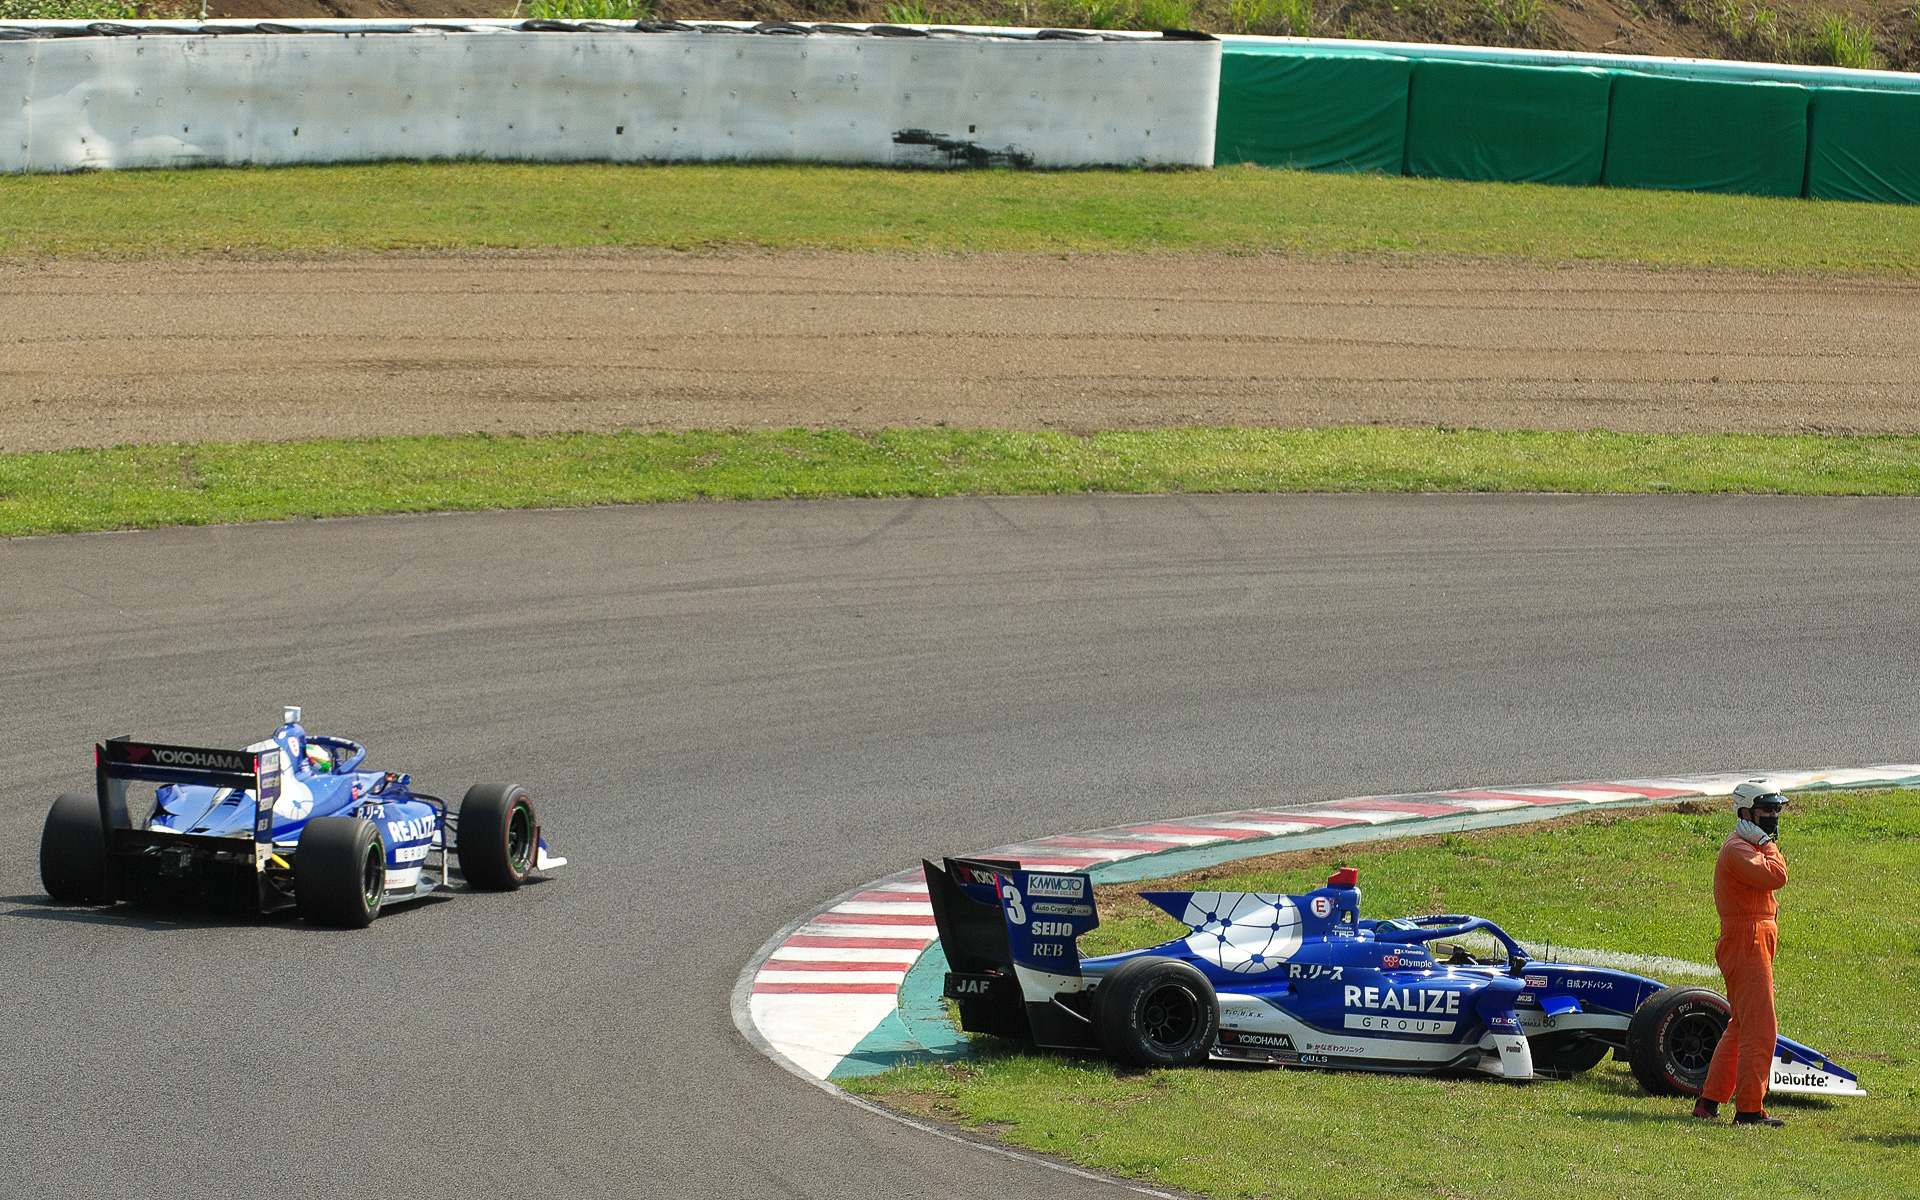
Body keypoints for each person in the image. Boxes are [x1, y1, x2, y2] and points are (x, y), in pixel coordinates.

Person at [1694, 780, 1790, 1127]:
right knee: (1761, 1028)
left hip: (1753, 938)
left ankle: (1709, 1103)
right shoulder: (1739, 848)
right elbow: (1777, 876)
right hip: (1748, 940)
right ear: (1746, 813)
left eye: (1777, 809)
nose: (1774, 816)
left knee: (1742, 1025)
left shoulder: (1745, 845)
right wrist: (1767, 844)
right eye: (1767, 810)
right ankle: (1749, 1111)